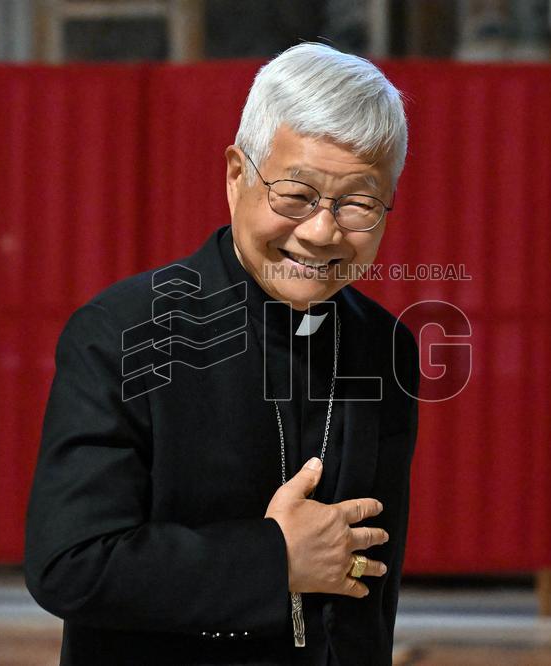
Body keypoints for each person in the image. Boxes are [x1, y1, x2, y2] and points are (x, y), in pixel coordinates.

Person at [24, 42, 419, 665]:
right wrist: (274, 559)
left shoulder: (384, 346)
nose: (321, 231)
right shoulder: (122, 332)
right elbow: (69, 566)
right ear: (238, 175)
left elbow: (370, 591)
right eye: (296, 194)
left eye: (358, 204)